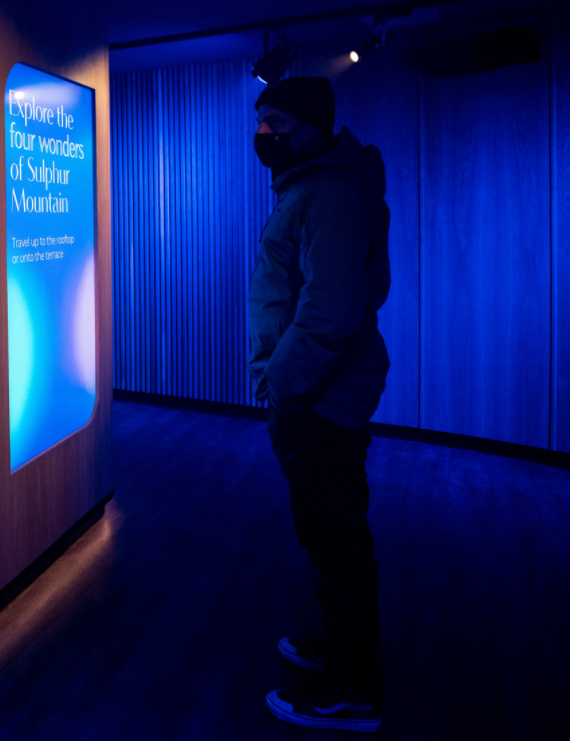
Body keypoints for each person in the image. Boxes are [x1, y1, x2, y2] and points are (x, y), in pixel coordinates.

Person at [247, 77, 391, 731]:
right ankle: (340, 650)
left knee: (336, 540)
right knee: (329, 533)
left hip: (318, 397)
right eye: (260, 122)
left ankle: (353, 690)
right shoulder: (314, 185)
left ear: (311, 126)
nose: (263, 135)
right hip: (316, 391)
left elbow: (329, 309)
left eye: (276, 123)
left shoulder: (331, 192)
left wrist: (282, 384)